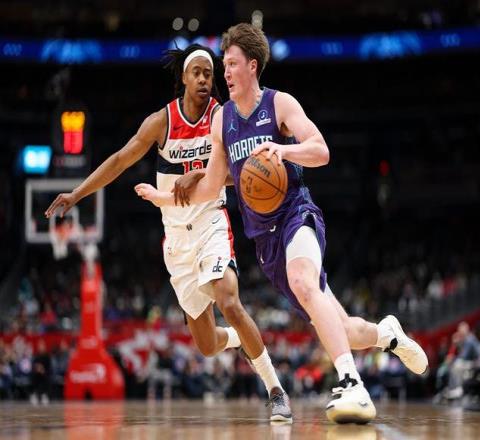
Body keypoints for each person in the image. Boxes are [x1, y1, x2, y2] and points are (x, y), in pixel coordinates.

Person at [135, 25, 429, 423]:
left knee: (304, 282)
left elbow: (321, 150)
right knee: (343, 328)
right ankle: (387, 334)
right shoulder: (222, 122)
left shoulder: (279, 104)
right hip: (266, 241)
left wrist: (283, 150)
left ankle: (351, 385)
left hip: (296, 214)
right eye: (225, 65)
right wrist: (164, 198)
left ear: (252, 66)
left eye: (232, 64)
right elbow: (210, 187)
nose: (225, 73)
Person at [45, 44, 292, 421]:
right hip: (177, 242)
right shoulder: (161, 122)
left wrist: (202, 175)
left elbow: (246, 171)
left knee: (229, 301)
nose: (204, 79)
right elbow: (120, 160)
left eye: (209, 74)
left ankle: (275, 390)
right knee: (207, 345)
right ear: (183, 78)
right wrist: (77, 193)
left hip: (211, 223)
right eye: (197, 73)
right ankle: (239, 337)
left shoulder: (223, 117)